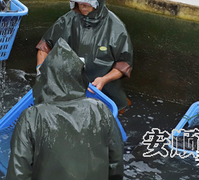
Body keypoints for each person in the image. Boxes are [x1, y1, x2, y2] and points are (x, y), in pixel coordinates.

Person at [7, 39, 124, 180]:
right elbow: (116, 165)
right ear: (79, 76)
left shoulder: (32, 116)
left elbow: (18, 174)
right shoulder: (100, 110)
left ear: (45, 79)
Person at [35, 0, 133, 111]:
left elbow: (124, 64)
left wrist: (104, 80)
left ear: (97, 4)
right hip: (69, 87)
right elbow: (44, 46)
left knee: (119, 108)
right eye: (80, 3)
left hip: (103, 88)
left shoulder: (116, 28)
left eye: (87, 4)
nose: (83, 8)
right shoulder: (67, 20)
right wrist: (41, 69)